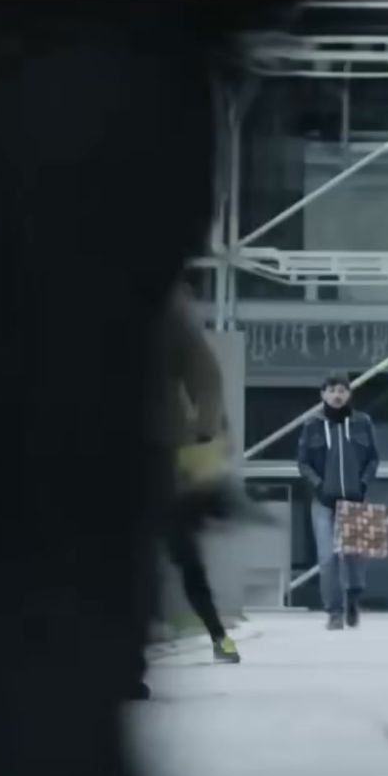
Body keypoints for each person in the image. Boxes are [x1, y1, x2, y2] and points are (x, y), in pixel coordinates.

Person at [0, 0, 293, 776]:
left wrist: (207, 441)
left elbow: (190, 375)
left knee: (68, 485)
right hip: (125, 90)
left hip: (106, 94)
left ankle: (69, 729)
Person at [162, 284, 242, 667]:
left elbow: (206, 379)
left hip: (162, 453)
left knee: (183, 553)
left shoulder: (169, 311)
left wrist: (207, 433)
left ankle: (216, 633)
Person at [298, 374, 381, 630]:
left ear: (349, 394)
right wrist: (318, 486)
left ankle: (353, 599)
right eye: (332, 390)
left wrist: (364, 484)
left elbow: (374, 458)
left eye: (342, 390)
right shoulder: (312, 425)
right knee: (327, 558)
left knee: (355, 555)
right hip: (323, 501)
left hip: (356, 498)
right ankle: (334, 612)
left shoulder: (362, 422)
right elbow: (303, 462)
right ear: (323, 394)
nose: (337, 395)